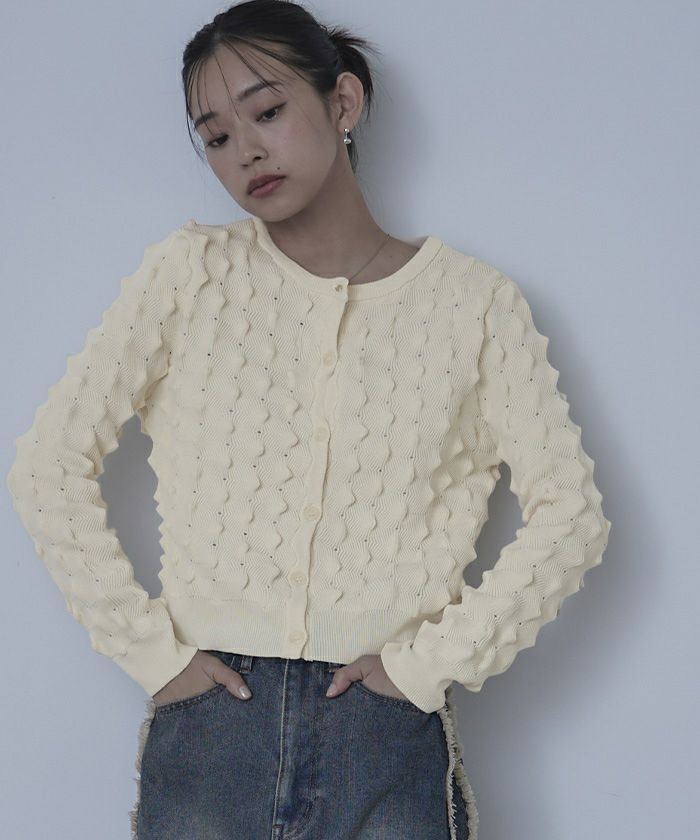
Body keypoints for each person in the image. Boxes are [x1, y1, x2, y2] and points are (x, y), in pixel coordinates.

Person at [6, 2, 611, 838]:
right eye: (216, 136)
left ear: (343, 102)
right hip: (212, 730)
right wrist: (152, 655)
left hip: (384, 730)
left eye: (267, 111)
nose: (246, 151)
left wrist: (426, 667)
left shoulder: (474, 306)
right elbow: (47, 466)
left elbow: (572, 515)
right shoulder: (192, 275)